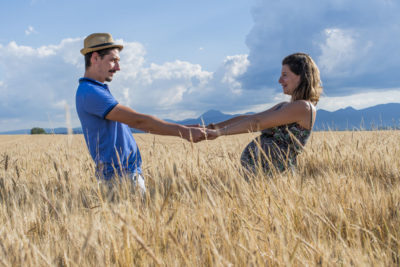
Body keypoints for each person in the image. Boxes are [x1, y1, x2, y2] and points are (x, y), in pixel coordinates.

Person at [75, 33, 212, 192]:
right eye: (113, 61)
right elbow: (137, 121)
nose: (118, 68)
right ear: (95, 58)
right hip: (120, 177)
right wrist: (184, 132)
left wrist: (186, 128)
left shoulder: (94, 90)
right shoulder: (91, 92)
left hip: (123, 174)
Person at [207, 53, 322, 174]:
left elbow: (257, 122)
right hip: (259, 177)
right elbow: (251, 118)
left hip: (276, 178)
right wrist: (211, 128)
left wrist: (219, 133)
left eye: (285, 75)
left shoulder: (304, 107)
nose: (279, 80)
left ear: (301, 77)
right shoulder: (283, 106)